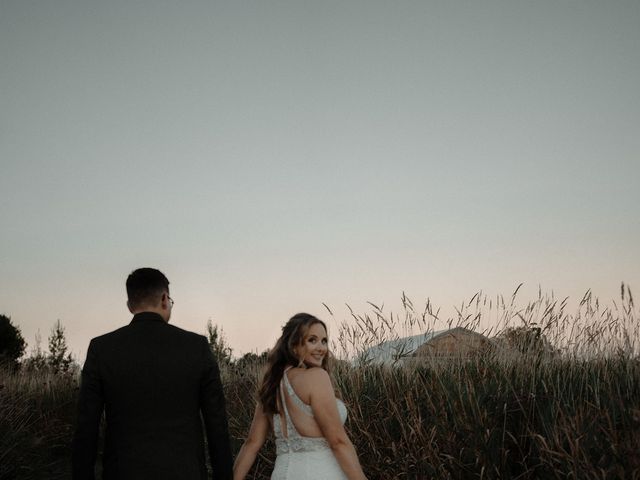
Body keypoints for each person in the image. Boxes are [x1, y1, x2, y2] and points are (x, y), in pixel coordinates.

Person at [72, 268, 233, 480]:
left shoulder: (102, 349)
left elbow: (86, 428)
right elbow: (217, 426)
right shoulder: (196, 347)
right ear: (165, 299)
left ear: (130, 305)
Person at [233, 313, 367, 480]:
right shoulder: (317, 376)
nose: (321, 348)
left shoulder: (272, 384)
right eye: (312, 340)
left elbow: (251, 444)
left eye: (324, 341)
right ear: (294, 345)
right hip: (322, 473)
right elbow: (338, 442)